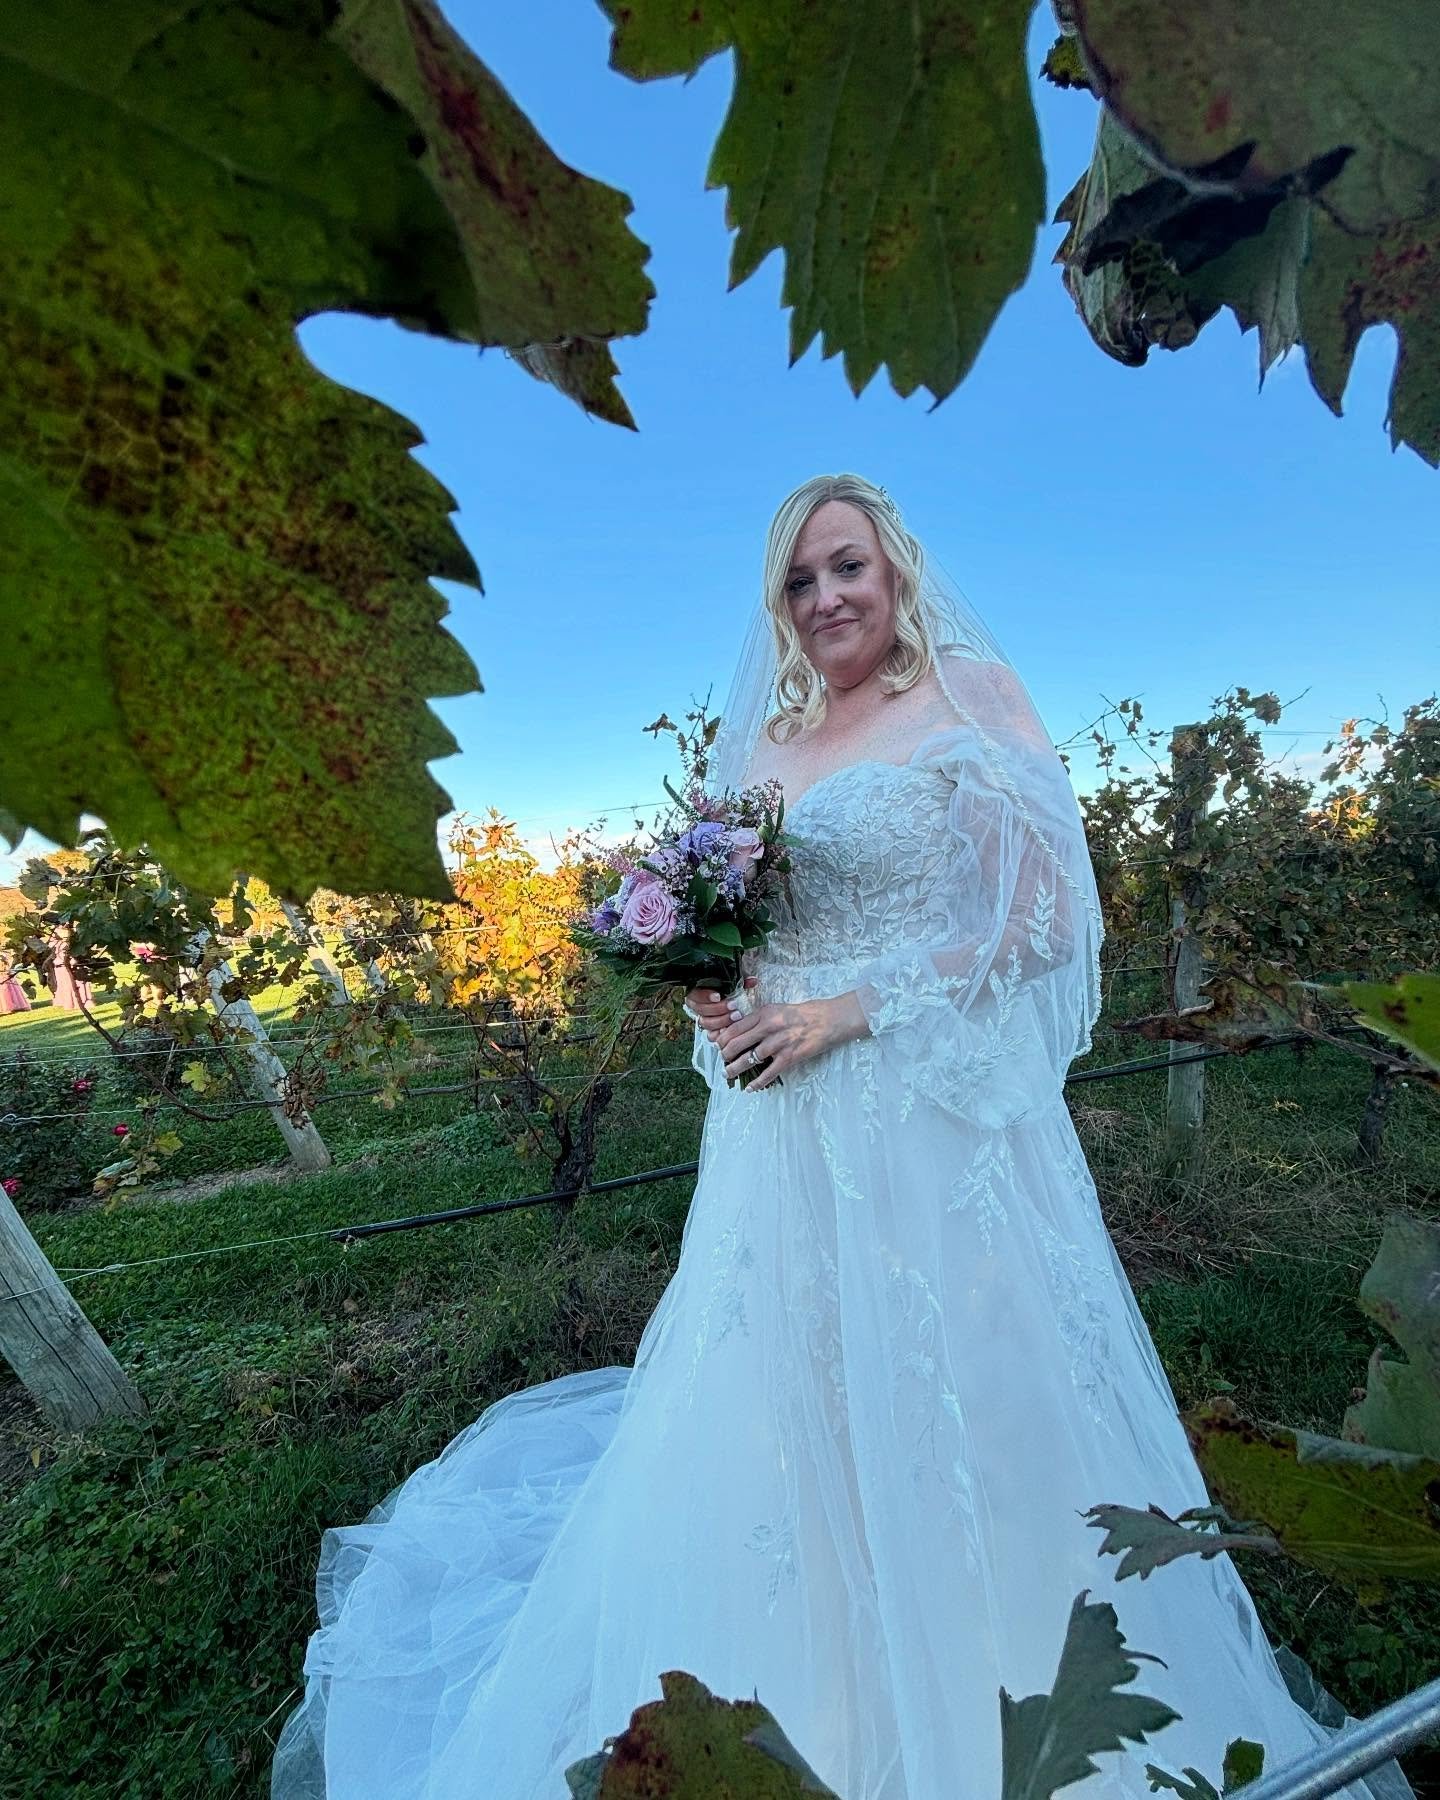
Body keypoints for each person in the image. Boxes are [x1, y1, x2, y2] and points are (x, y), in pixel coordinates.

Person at [271, 475, 1407, 1800]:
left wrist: (853, 1012)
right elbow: (755, 931)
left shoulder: (973, 698)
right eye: (800, 583)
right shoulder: (763, 745)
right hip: (789, 1140)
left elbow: (1043, 922)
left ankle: (999, 1663)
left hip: (939, 1125)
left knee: (973, 1380)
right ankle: (809, 1677)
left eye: (847, 568)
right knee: (792, 1397)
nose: (826, 600)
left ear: (897, 567)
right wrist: (716, 986)